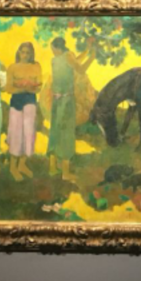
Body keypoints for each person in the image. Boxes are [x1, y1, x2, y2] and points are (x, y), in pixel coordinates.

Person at [47, 37, 96, 184]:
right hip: (66, 100)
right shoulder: (65, 56)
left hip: (57, 100)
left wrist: (87, 50)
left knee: (55, 131)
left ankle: (52, 167)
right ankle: (65, 173)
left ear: (58, 48)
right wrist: (92, 57)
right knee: (66, 133)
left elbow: (75, 61)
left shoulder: (56, 60)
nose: (52, 51)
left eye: (53, 48)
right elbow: (80, 68)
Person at [5, 42, 42, 182]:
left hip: (30, 101)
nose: (25, 55)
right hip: (16, 103)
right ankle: (12, 167)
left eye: (28, 53)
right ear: (18, 52)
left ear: (31, 54)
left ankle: (22, 165)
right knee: (16, 134)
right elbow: (8, 89)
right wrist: (23, 88)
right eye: (23, 52)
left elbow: (39, 86)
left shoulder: (36, 66)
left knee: (29, 133)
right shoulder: (12, 67)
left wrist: (31, 86)